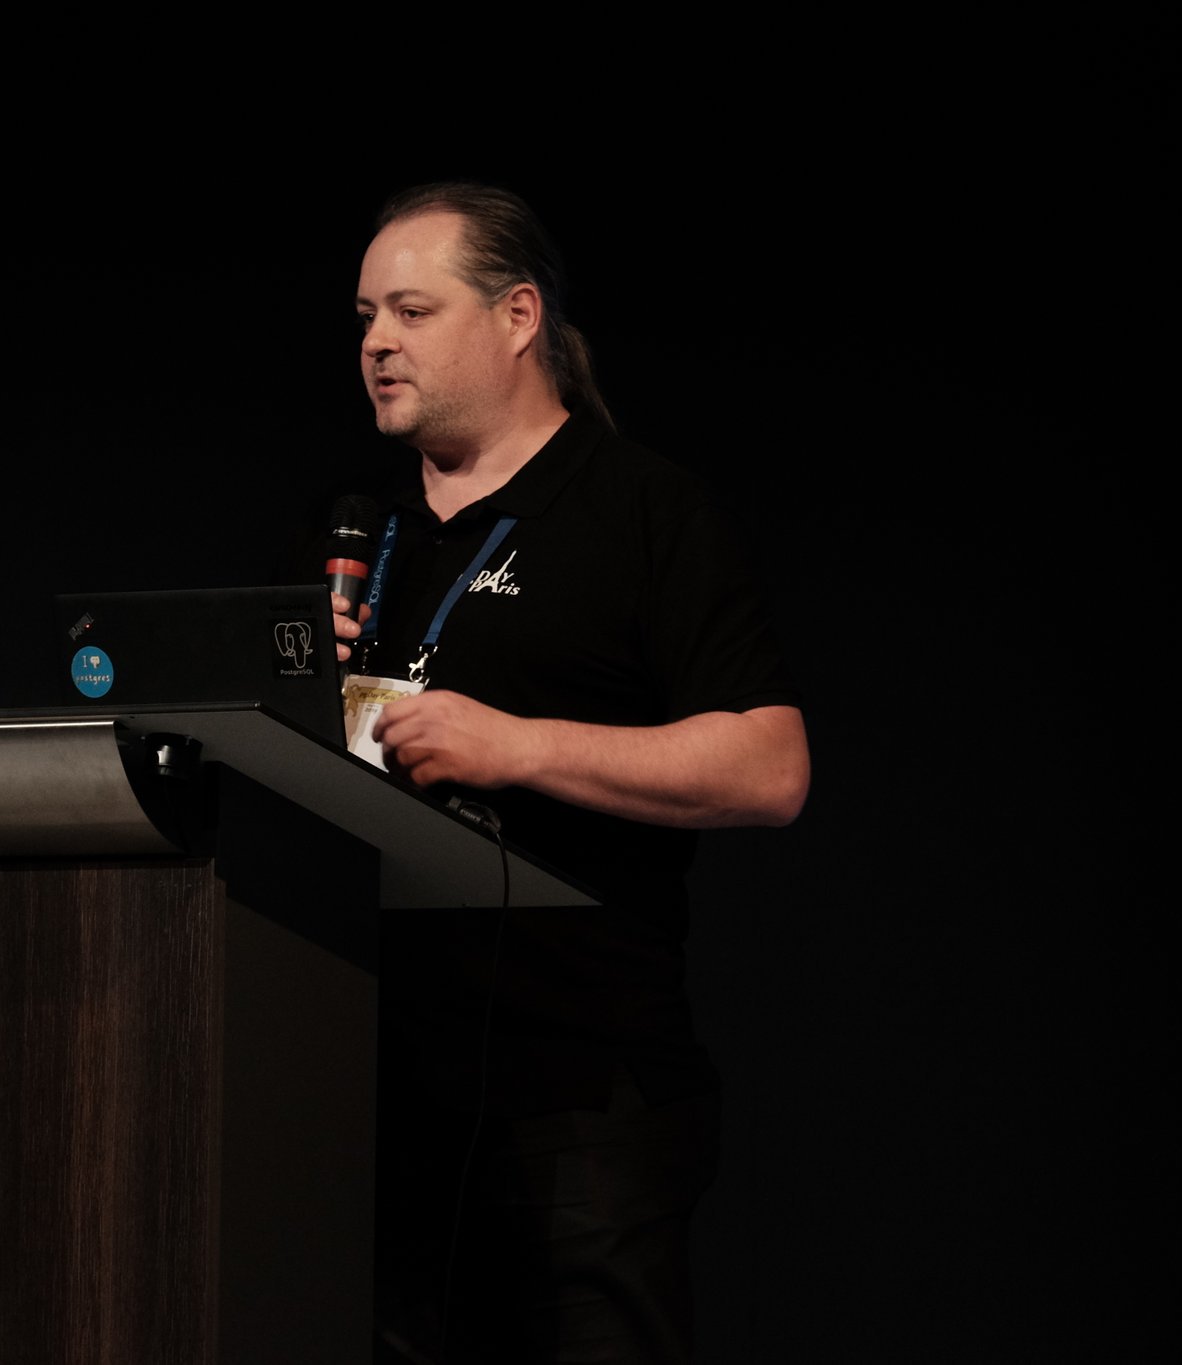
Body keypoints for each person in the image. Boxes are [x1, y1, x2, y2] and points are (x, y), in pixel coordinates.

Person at [315, 181, 810, 1364]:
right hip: (369, 1086)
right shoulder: (358, 537)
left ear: (517, 316)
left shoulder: (639, 511)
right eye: (365, 317)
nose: (377, 342)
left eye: (411, 311)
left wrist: (518, 744)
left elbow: (769, 765)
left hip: (582, 1094)